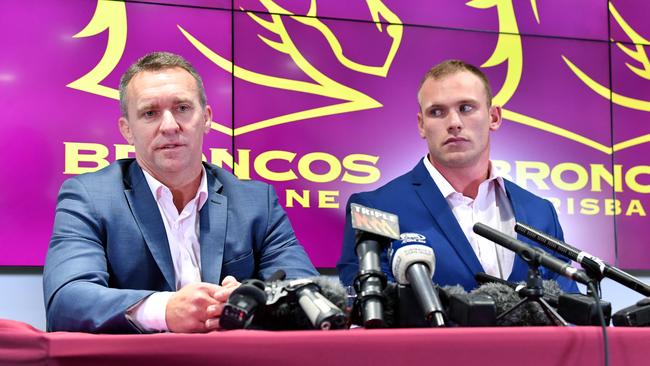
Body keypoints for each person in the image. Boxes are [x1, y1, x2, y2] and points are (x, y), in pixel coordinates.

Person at [43, 52, 318, 334]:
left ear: (207, 118)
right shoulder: (90, 196)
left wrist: (253, 304)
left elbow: (312, 299)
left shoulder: (257, 202)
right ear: (127, 130)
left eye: (182, 108)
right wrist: (165, 310)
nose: (170, 126)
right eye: (150, 113)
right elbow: (66, 301)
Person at [337, 60, 578, 293]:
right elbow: (375, 314)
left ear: (494, 117)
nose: (453, 123)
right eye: (437, 111)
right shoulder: (376, 209)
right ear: (421, 125)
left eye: (466, 108)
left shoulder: (541, 212)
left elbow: (571, 308)